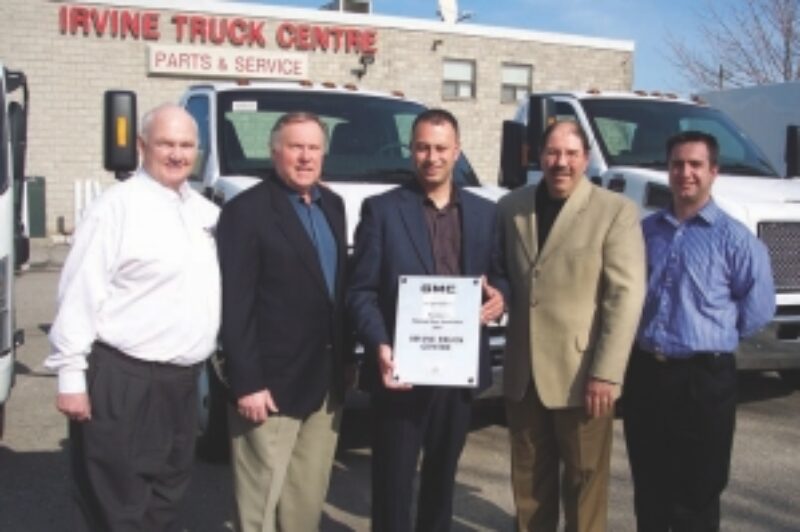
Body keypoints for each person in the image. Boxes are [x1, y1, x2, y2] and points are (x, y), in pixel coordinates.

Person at [45, 104, 221, 531]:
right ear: (142, 146)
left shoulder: (203, 213)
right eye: (166, 144)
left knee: (166, 497)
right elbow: (78, 294)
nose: (177, 154)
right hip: (123, 380)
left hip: (181, 383)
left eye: (186, 145)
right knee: (116, 504)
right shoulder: (116, 208)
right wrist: (71, 377)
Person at [347, 108, 508, 531]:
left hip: (457, 371)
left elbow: (500, 275)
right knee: (393, 483)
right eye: (422, 147)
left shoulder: (483, 213)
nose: (431, 157)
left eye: (440, 148)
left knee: (441, 480)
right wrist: (380, 344)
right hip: (400, 368)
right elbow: (360, 290)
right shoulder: (381, 210)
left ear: (457, 151)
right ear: (411, 151)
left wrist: (500, 299)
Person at [623, 131, 775, 532]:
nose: (685, 173)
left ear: (713, 171)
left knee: (698, 492)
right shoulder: (645, 232)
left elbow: (758, 309)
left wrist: (713, 335)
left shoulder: (735, 241)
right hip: (647, 374)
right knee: (650, 487)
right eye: (677, 164)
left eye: (695, 165)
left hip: (704, 380)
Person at [498, 120, 646, 532]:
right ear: (539, 156)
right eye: (552, 153)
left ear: (585, 159)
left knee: (584, 486)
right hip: (524, 374)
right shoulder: (512, 208)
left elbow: (626, 295)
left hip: (584, 377)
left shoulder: (615, 212)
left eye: (570, 154)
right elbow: (502, 276)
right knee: (529, 486)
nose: (560, 163)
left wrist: (606, 372)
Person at [216, 112, 350, 532]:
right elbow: (234, 305)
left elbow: (336, 292)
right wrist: (247, 381)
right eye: (296, 147)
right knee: (259, 504)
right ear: (275, 152)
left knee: (304, 500)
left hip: (325, 380)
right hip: (269, 385)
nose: (306, 157)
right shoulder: (246, 211)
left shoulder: (334, 204)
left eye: (313, 148)